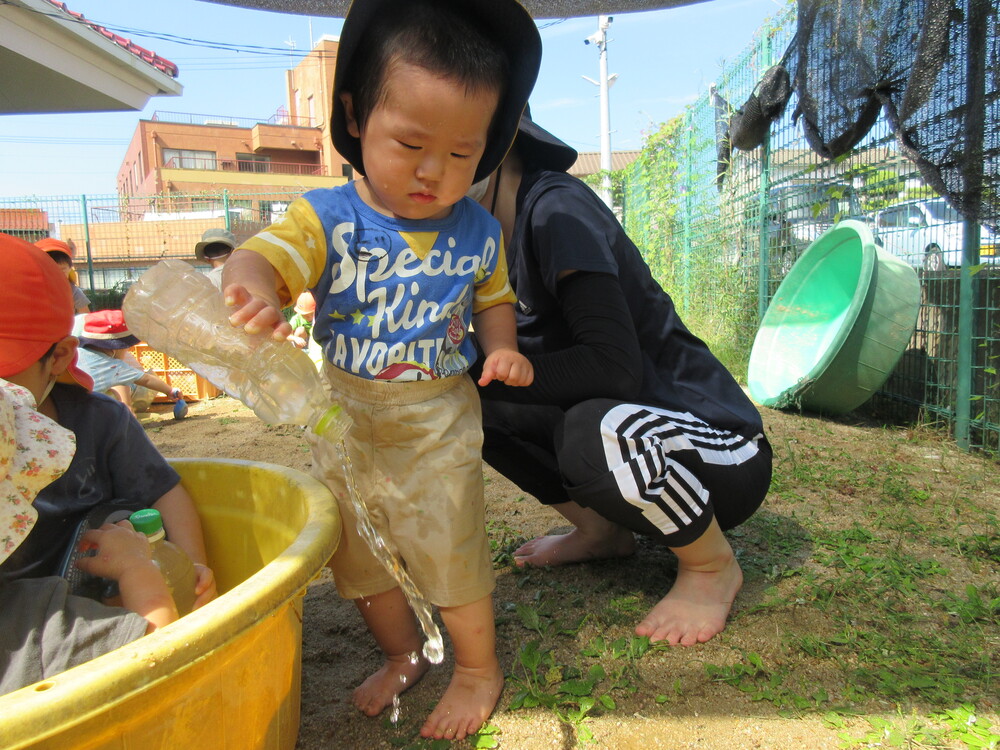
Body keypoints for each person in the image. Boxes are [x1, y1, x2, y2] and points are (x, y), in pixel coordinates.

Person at [222, 0, 540, 740]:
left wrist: (503, 346)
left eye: (463, 154)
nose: (435, 172)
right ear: (357, 117)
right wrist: (249, 290)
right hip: (345, 414)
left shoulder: (479, 229)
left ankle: (476, 668)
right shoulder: (328, 217)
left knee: (450, 543)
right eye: (412, 144)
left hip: (437, 417)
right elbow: (264, 258)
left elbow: (494, 300)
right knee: (361, 556)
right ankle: (402, 654)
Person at [474, 112, 774, 648]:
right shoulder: (484, 245)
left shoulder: (556, 210)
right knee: (470, 404)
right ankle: (600, 533)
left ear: (495, 147)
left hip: (719, 447)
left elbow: (612, 366)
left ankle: (710, 567)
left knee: (589, 430)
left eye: (444, 151)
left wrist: (478, 375)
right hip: (628, 439)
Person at [0, 233, 215, 607]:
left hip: (106, 599)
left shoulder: (99, 420)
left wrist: (191, 567)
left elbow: (164, 491)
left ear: (57, 357)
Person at [0, 378, 179, 696]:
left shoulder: (103, 416)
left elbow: (167, 490)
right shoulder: (39, 631)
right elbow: (163, 658)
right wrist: (136, 568)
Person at [73, 310, 188, 419]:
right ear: (116, 348)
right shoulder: (114, 367)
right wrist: (170, 391)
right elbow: (147, 379)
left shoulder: (75, 353)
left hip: (64, 409)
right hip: (89, 414)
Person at [34, 238, 90, 314]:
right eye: (51, 270)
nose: (57, 275)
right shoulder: (31, 289)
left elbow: (85, 315)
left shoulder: (71, 290)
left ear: (70, 269)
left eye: (62, 270)